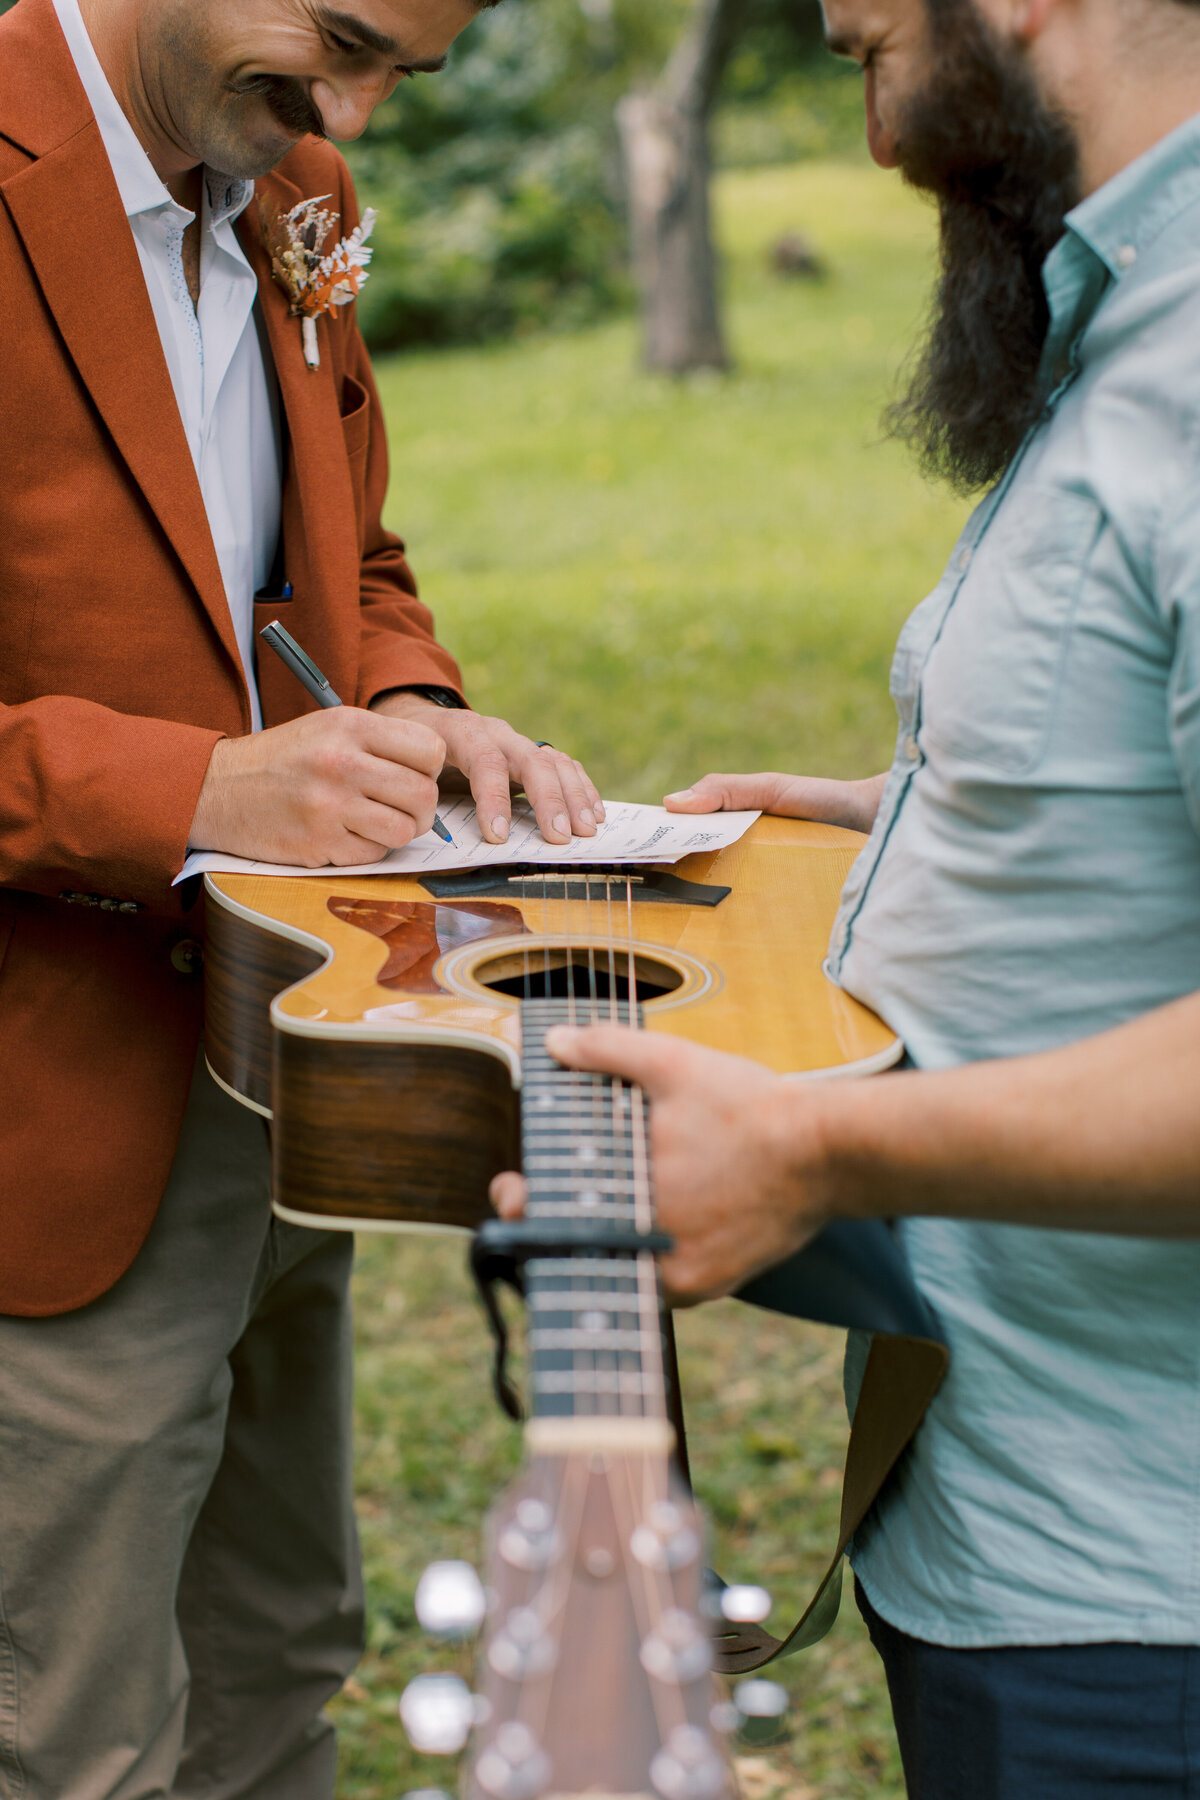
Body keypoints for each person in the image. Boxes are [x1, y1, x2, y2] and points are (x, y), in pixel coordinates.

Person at [492, 0, 1200, 1791]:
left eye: (864, 48)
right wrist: (914, 811)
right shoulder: (1130, 320)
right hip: (1000, 1504)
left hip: (1141, 1609)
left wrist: (817, 1153)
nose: (876, 146)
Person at [0, 0, 603, 1792]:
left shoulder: (293, 176)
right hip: (43, 1116)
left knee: (277, 1653)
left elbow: (355, 550)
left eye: (400, 76)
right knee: (75, 1730)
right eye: (340, 42)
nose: (351, 117)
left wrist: (412, 701)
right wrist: (187, 788)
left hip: (285, 1069)